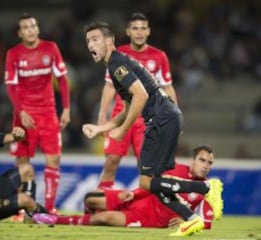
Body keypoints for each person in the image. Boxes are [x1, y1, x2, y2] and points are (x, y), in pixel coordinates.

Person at [81, 21, 222, 236]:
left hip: (160, 120)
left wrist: (122, 131)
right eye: (88, 40)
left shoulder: (116, 65)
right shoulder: (119, 63)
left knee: (148, 182)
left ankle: (205, 188)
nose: (90, 44)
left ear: (109, 42)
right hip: (169, 117)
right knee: (154, 183)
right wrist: (102, 128)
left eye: (95, 39)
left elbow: (141, 96)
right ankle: (192, 218)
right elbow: (128, 107)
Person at [32, 145, 223, 231]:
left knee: (104, 217)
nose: (206, 165)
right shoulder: (173, 168)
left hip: (150, 218)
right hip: (141, 198)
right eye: (202, 160)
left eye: (209, 163)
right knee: (90, 198)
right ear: (193, 160)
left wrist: (184, 222)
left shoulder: (207, 189)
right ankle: (88, 219)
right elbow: (151, 186)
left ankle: (56, 219)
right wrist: (133, 193)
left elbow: (206, 223)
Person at [96, 12, 178, 189]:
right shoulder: (118, 54)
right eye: (135, 28)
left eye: (143, 28)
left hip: (147, 118)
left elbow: (167, 87)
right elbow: (110, 85)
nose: (139, 32)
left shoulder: (159, 56)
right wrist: (102, 115)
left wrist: (173, 117)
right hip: (122, 114)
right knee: (111, 161)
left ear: (148, 31)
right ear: (127, 31)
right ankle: (99, 209)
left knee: (146, 166)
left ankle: (143, 211)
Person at [4, 13, 71, 217]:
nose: (30, 30)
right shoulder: (13, 54)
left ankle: (50, 208)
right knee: (22, 162)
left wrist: (66, 108)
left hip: (49, 113)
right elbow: (12, 87)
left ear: (38, 28)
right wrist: (21, 111)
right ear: (20, 33)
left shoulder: (50, 48)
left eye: (33, 26)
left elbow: (62, 79)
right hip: (24, 116)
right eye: (25, 27)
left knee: (54, 159)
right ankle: (22, 209)